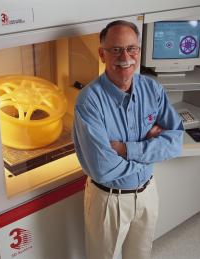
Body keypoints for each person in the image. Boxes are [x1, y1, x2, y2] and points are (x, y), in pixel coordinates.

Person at [73, 20, 184, 259]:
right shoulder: (89, 100)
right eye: (116, 49)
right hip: (108, 200)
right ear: (102, 54)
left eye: (131, 48)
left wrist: (125, 149)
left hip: (147, 193)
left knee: (141, 255)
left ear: (139, 52)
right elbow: (103, 169)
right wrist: (152, 148)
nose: (125, 56)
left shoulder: (152, 89)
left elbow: (175, 141)